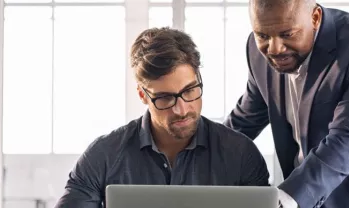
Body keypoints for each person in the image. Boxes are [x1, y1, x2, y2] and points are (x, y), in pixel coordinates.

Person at [54, 27, 270, 208]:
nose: (181, 109)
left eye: (189, 90)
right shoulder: (103, 156)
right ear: (142, 95)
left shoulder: (242, 155)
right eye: (165, 98)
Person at [224, 0, 349, 207]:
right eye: (262, 36)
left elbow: (345, 140)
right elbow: (245, 120)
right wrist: (197, 152)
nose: (274, 49)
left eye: (287, 34)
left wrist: (288, 197)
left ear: (315, 18)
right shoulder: (256, 51)